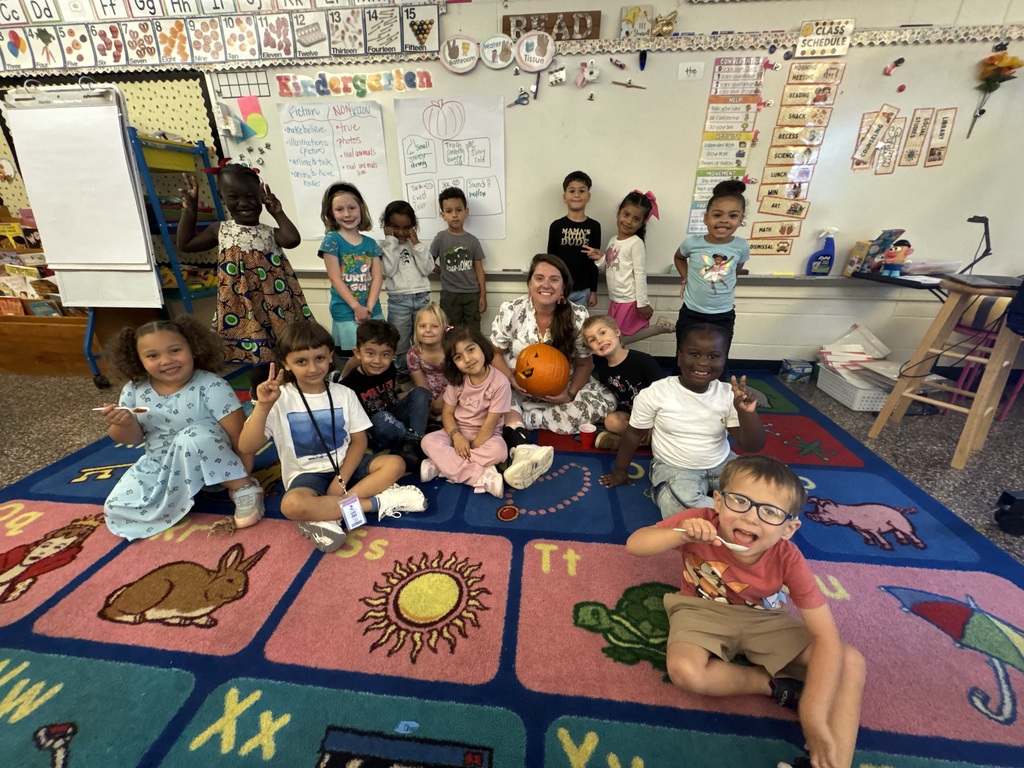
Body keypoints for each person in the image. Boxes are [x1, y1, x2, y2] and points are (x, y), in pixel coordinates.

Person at [626, 454, 865, 768]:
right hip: (699, 609)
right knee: (686, 671)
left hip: (765, 619)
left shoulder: (788, 558)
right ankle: (774, 686)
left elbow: (825, 636)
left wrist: (814, 717)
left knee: (851, 662)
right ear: (719, 502)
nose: (751, 518)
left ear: (788, 529)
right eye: (740, 501)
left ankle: (833, 764)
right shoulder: (700, 520)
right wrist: (682, 533)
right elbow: (635, 543)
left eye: (769, 512)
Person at [238, 320, 426, 553]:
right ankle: (377, 503)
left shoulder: (344, 393)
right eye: (301, 361)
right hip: (306, 474)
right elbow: (247, 445)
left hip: (345, 464)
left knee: (395, 463)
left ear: (330, 357)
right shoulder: (280, 398)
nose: (312, 368)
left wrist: (341, 479)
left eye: (319, 358)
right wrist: (263, 406)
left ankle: (326, 513)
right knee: (291, 505)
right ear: (286, 363)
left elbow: (359, 441)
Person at [100, 316, 265, 539]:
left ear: (194, 349)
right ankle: (180, 494)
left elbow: (238, 436)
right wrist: (123, 422)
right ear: (138, 360)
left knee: (193, 436)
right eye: (152, 356)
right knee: (115, 508)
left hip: (218, 472)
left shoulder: (211, 385)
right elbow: (129, 438)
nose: (166, 360)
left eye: (175, 350)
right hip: (164, 468)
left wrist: (242, 477)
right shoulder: (134, 389)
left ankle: (246, 490)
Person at [600, 324, 765, 515]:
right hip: (675, 468)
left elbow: (752, 445)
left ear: (724, 360)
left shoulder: (728, 394)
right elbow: (633, 434)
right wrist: (621, 470)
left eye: (713, 356)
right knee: (677, 501)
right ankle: (738, 511)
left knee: (766, 488)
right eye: (694, 354)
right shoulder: (655, 393)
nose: (703, 362)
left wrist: (747, 413)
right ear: (679, 357)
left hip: (723, 463)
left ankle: (721, 511)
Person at [490, 254, 616, 488]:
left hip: (561, 385)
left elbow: (584, 364)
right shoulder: (512, 309)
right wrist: (509, 378)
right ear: (529, 284)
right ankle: (524, 448)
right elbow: (494, 353)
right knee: (495, 396)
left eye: (554, 280)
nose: (545, 284)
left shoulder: (577, 315)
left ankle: (516, 426)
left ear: (563, 288)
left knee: (594, 403)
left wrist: (568, 393)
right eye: (539, 278)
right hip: (516, 381)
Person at [177, 164, 308, 363]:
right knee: (257, 359)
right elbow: (186, 244)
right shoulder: (220, 230)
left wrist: (277, 212)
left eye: (250, 196)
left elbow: (292, 239)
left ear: (261, 197)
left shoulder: (268, 232)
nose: (243, 203)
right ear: (221, 197)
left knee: (285, 350)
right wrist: (190, 211)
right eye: (234, 197)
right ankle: (260, 389)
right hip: (242, 304)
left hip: (275, 302)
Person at [420, 325, 512, 498]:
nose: (468, 359)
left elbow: (490, 424)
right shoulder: (457, 380)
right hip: (456, 431)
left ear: (482, 346)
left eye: (471, 350)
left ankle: (442, 465)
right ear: (453, 362)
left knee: (499, 451)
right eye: (458, 357)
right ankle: (480, 476)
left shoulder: (501, 383)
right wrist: (456, 437)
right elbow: (447, 414)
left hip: (486, 436)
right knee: (427, 441)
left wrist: (471, 448)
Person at [674, 179, 750, 368]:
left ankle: (716, 394)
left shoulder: (741, 246)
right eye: (717, 215)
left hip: (723, 315)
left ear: (740, 220)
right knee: (684, 357)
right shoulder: (692, 243)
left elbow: (735, 270)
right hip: (692, 313)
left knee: (717, 358)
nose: (724, 220)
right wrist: (686, 276)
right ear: (706, 218)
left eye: (733, 216)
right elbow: (679, 258)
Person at [341, 319, 431, 473]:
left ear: (393, 355)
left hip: (394, 415)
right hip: (375, 430)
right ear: (357, 353)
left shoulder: (389, 369)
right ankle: (418, 441)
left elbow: (392, 396)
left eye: (385, 355)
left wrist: (415, 403)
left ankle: (413, 441)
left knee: (421, 392)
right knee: (381, 418)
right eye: (370, 353)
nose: (377, 361)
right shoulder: (350, 385)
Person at [597, 190, 674, 345]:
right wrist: (600, 258)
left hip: (629, 299)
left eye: (636, 219)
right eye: (626, 214)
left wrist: (642, 303)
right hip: (616, 299)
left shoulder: (635, 243)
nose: (629, 221)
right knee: (616, 338)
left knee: (616, 339)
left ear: (641, 223)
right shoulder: (613, 240)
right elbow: (610, 267)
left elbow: (640, 274)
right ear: (618, 214)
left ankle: (660, 328)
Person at [318, 182, 384, 359]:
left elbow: (378, 277)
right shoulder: (332, 240)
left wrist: (368, 308)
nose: (347, 214)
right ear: (331, 213)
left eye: (352, 208)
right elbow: (335, 278)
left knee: (375, 352)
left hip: (372, 311)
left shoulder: (371, 243)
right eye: (339, 209)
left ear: (361, 209)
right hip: (346, 311)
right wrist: (356, 307)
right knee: (355, 355)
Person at [581, 315, 664, 451]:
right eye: (593, 340)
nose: (600, 340)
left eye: (602, 333)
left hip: (654, 415)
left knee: (670, 427)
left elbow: (664, 392)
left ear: (617, 332)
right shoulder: (602, 370)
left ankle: (626, 441)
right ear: (591, 348)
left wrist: (653, 423)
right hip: (629, 416)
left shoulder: (642, 361)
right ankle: (644, 440)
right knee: (611, 421)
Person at [379, 200, 434, 377]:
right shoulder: (384, 246)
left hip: (422, 297)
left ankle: (424, 369)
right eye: (396, 227)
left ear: (413, 227)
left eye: (406, 227)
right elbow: (388, 270)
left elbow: (428, 269)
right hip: (399, 299)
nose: (402, 232)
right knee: (400, 341)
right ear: (386, 226)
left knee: (424, 338)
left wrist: (417, 244)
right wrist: (391, 242)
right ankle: (402, 371)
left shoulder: (417, 245)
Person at [430, 186, 487, 330]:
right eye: (449, 211)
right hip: (449, 296)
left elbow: (479, 269)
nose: (454, 215)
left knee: (472, 332)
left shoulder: (472, 240)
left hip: (472, 295)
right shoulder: (441, 238)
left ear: (466, 212)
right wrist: (442, 271)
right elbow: (428, 262)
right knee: (450, 332)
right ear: (442, 214)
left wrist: (483, 296)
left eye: (459, 210)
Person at [547, 170, 602, 308]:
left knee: (580, 328)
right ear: (564, 197)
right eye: (572, 191)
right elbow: (550, 261)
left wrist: (593, 291)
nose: (576, 195)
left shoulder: (594, 226)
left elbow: (594, 263)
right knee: (558, 326)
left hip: (583, 290)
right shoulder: (556, 226)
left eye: (581, 191)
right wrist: (552, 287)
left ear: (588, 196)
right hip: (560, 289)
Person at [407, 303, 449, 423]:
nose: (428, 330)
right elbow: (421, 385)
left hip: (452, 391)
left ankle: (444, 420)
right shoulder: (413, 353)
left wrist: (443, 399)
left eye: (434, 326)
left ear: (444, 328)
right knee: (417, 399)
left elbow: (456, 380)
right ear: (416, 328)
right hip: (427, 393)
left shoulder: (451, 350)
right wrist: (431, 402)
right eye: (422, 326)